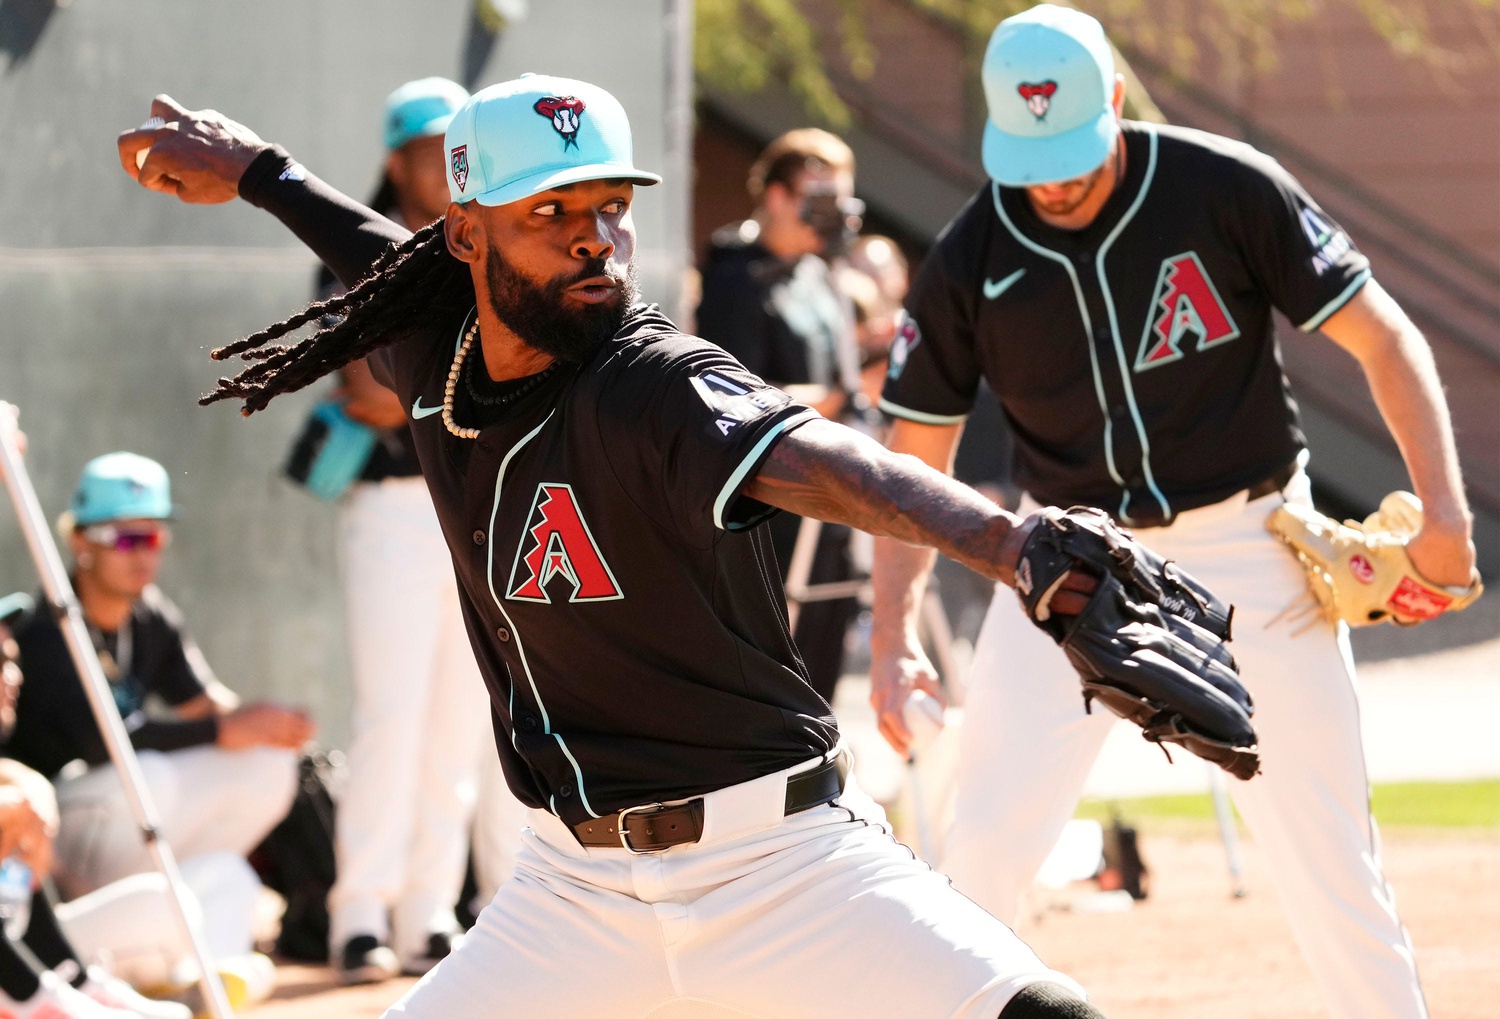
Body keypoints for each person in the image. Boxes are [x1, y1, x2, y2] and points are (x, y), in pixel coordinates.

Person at [111, 75, 1142, 1018]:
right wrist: (258, 171)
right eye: (549, 212)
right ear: (465, 234)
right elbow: (366, 245)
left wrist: (1008, 540)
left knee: (1049, 1016)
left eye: (611, 204)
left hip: (779, 861)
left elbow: (831, 462)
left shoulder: (661, 380)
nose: (593, 238)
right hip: (571, 893)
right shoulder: (433, 350)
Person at [869, 7, 1478, 1019]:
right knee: (982, 849)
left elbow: (1384, 337)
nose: (1053, 182)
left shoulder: (1224, 186)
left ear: (1115, 100)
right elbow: (912, 461)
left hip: (1250, 543)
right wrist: (893, 636)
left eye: (1071, 150)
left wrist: (1446, 514)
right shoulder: (971, 255)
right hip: (1064, 562)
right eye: (1031, 158)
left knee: (1329, 863)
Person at [301, 75, 500, 984]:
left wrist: (440, 382)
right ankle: (359, 913)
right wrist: (471, 379)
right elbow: (367, 393)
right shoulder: (354, 245)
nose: (446, 167)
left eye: (457, 150)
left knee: (460, 718)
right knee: (391, 714)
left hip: (472, 504)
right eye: (430, 150)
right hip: (391, 507)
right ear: (396, 158)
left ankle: (427, 910)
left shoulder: (486, 238)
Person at [6, 453, 312, 909]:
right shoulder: (45, 628)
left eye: (153, 536)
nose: (143, 554)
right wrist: (223, 730)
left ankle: (167, 906)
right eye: (126, 538)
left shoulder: (151, 617)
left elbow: (207, 705)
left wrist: (269, 725)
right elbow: (101, 742)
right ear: (80, 542)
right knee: (152, 776)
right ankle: (97, 907)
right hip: (46, 822)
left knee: (268, 764)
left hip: (122, 815)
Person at [695, 129, 868, 703]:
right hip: (774, 500)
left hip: (831, 489)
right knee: (775, 672)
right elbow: (731, 396)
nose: (829, 216)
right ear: (776, 195)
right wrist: (830, 399)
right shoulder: (736, 277)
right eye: (816, 200)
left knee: (826, 649)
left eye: (839, 201)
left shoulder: (820, 274)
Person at [0, 596, 190, 1019]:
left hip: (29, 941)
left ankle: (64, 984)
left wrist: (28, 792)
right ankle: (32, 997)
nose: (13, 676)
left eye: (12, 660)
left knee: (177, 902)